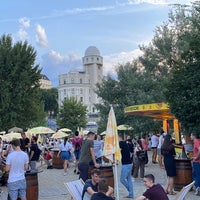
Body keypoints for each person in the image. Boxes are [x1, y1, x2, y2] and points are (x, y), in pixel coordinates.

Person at [119, 135, 134, 199]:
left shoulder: (121, 143)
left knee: (122, 179)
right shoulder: (125, 143)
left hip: (126, 164)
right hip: (130, 163)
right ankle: (131, 194)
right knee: (129, 179)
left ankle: (130, 191)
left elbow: (118, 152)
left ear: (120, 138)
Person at [190, 131, 200, 195]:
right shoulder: (198, 141)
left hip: (197, 162)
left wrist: (196, 157)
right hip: (197, 161)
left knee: (196, 176)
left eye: (191, 135)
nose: (190, 137)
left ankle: (198, 189)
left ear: (194, 136)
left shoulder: (196, 142)